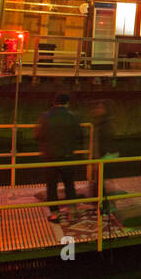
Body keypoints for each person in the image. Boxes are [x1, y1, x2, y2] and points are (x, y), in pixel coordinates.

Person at [35, 92, 83, 222]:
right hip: (67, 157)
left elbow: (37, 136)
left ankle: (55, 213)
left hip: (50, 157)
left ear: (54, 102)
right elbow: (80, 136)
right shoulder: (73, 117)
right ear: (67, 103)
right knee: (69, 185)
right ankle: (72, 211)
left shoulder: (45, 117)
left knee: (51, 186)